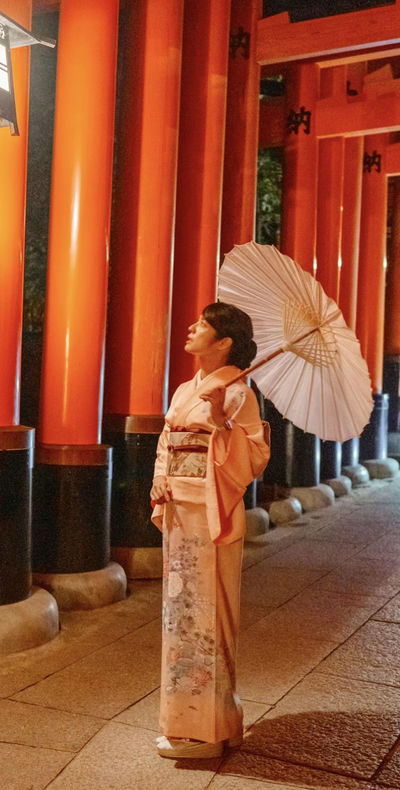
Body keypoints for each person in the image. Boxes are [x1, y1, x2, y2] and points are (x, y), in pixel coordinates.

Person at [150, 301, 270, 760]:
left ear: (224, 343)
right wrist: (160, 475)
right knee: (179, 617)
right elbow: (168, 441)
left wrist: (222, 420)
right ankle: (180, 721)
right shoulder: (185, 389)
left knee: (211, 616)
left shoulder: (240, 392)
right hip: (180, 510)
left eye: (201, 325)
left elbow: (253, 460)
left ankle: (214, 726)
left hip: (211, 512)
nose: (190, 327)